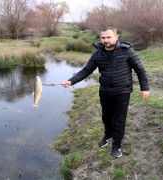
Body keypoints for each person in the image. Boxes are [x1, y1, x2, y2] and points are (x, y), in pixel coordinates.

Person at [62, 27, 150, 158]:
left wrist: (145, 88)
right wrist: (71, 81)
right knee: (106, 117)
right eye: (103, 37)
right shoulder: (97, 54)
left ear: (116, 37)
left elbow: (140, 70)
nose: (106, 40)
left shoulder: (127, 51)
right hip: (105, 91)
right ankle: (108, 135)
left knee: (119, 120)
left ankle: (117, 145)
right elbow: (86, 71)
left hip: (122, 92)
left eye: (109, 37)